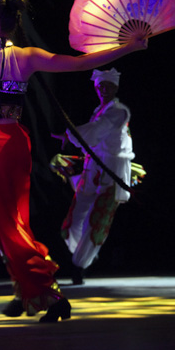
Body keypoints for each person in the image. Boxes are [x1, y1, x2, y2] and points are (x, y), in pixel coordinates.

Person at [0, 0, 147, 322]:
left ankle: (49, 290)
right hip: (15, 144)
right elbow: (80, 63)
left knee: (6, 224)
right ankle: (27, 289)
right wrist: (131, 47)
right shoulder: (28, 56)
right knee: (9, 221)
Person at [51, 68, 135, 285]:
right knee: (73, 222)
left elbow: (97, 131)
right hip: (93, 168)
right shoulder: (98, 111)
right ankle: (86, 255)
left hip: (111, 168)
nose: (103, 90)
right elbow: (91, 135)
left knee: (97, 219)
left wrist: (70, 133)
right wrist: (71, 135)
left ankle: (79, 265)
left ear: (115, 88)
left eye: (107, 86)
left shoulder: (118, 111)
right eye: (99, 86)